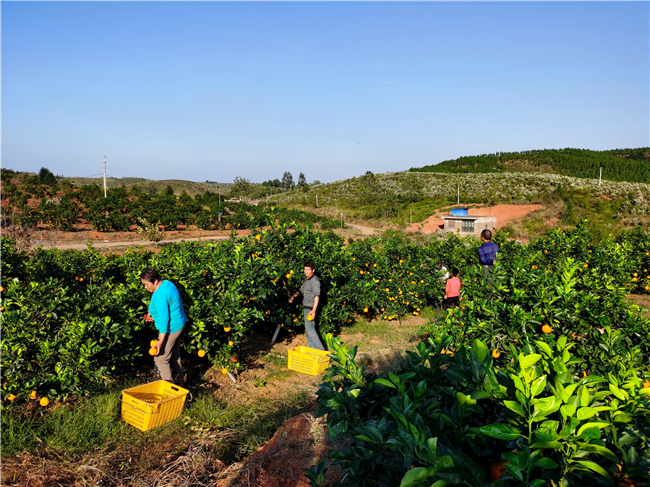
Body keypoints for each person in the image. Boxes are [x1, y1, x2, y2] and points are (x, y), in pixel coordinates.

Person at [141, 268, 188, 385]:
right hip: (180, 323)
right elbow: (169, 305)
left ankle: (170, 391)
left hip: (170, 328)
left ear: (155, 281)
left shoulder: (159, 296)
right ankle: (180, 385)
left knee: (161, 359)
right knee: (174, 355)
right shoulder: (167, 283)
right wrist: (154, 314)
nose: (145, 287)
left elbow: (164, 320)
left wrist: (160, 342)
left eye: (146, 284)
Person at [289, 262, 325, 350]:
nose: (306, 272)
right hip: (306, 307)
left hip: (310, 308)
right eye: (305, 269)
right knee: (308, 331)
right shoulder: (307, 280)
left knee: (310, 330)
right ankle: (312, 350)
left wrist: (313, 310)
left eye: (308, 270)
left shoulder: (315, 281)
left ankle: (321, 351)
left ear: (313, 270)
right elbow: (301, 290)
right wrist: (293, 296)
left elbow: (317, 296)